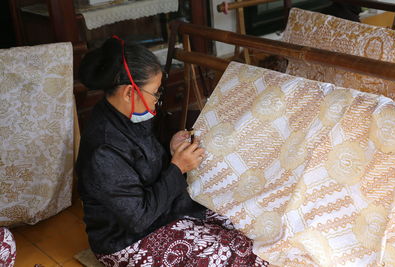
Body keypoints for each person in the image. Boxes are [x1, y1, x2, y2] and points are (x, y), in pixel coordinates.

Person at [76, 36, 269, 266]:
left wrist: (171, 150)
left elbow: (143, 165)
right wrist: (178, 167)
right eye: (155, 93)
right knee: (229, 254)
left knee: (246, 227)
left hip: (164, 209)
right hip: (127, 240)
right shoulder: (103, 150)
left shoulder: (125, 115)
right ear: (130, 92)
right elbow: (138, 218)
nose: (157, 100)